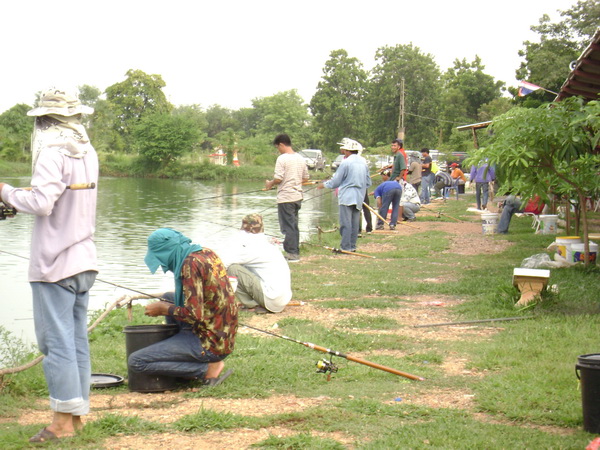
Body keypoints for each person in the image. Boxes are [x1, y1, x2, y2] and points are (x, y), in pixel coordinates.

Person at [0, 88, 98, 443]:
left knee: (55, 344)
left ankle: (60, 423)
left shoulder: (51, 155)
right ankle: (76, 416)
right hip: (84, 260)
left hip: (54, 265)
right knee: (75, 342)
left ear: (44, 120)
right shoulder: (87, 153)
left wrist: (6, 191)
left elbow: (42, 203)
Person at [129, 228, 238, 385]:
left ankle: (207, 369)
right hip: (223, 333)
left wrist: (163, 308)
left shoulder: (189, 266)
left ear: (166, 251)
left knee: (137, 361)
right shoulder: (205, 253)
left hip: (210, 343)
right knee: (168, 297)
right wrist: (166, 303)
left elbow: (194, 315)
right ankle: (181, 351)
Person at [218, 213, 292, 314]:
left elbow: (223, 264)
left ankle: (252, 305)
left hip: (272, 299)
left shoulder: (250, 247)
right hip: (281, 299)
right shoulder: (264, 242)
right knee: (240, 267)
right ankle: (256, 302)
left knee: (232, 269)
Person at [319, 138, 371, 252]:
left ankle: (345, 247)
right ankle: (352, 247)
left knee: (345, 223)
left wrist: (324, 185)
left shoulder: (345, 162)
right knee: (354, 223)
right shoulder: (364, 163)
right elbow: (368, 182)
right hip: (359, 197)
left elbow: (335, 182)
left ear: (348, 151)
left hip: (346, 196)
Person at [265, 134, 309, 263]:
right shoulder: (300, 158)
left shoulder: (282, 158)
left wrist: (270, 183)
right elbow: (306, 178)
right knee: (294, 225)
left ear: (281, 144)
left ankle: (292, 253)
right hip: (297, 197)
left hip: (286, 197)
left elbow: (278, 178)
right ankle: (294, 251)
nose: (278, 149)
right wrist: (294, 181)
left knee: (288, 226)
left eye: (277, 147)